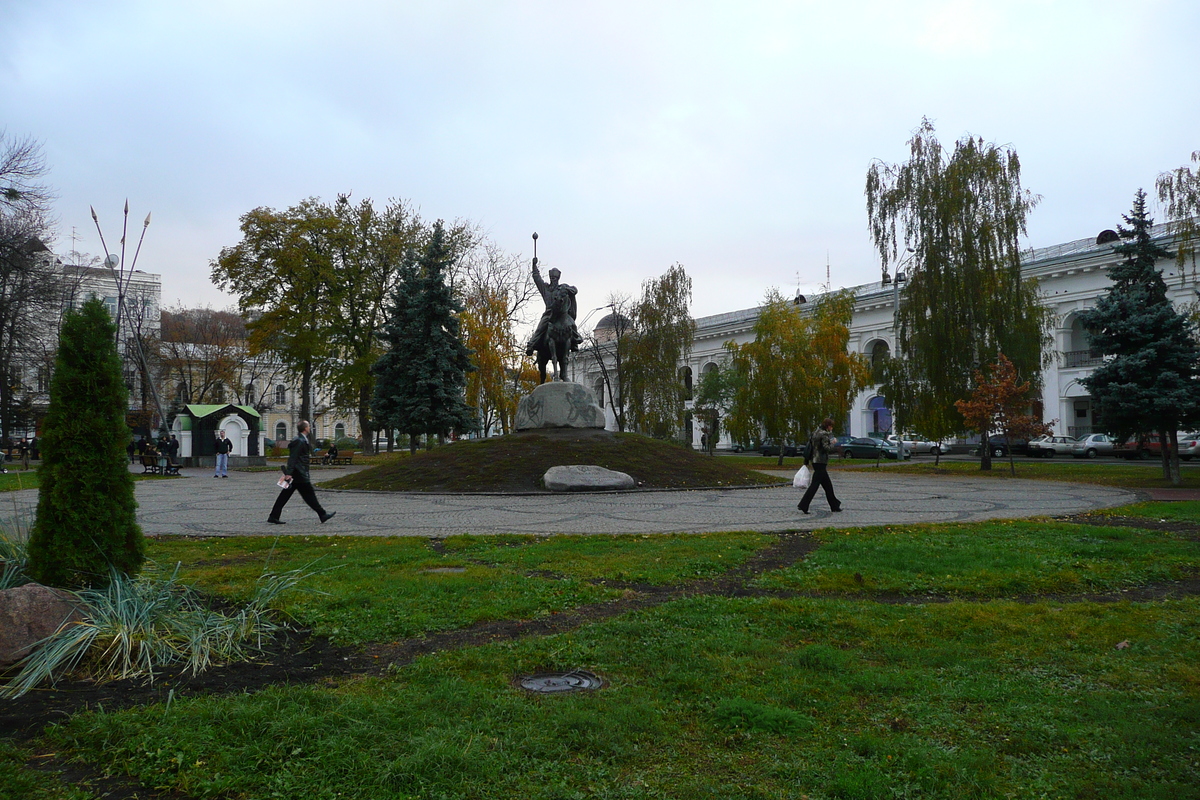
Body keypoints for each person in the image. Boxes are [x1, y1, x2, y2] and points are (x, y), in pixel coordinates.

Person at [268, 420, 335, 525]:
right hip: (298, 472)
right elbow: (293, 457)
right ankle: (322, 514)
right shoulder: (299, 441)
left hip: (298, 471)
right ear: (305, 428)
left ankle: (273, 516)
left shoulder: (301, 439)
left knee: (286, 495)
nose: (309, 428)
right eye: (308, 426)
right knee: (309, 494)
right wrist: (289, 473)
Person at [797, 417, 842, 514]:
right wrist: (833, 443)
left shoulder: (815, 432)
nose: (832, 428)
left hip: (814, 460)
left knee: (828, 486)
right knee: (815, 485)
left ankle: (834, 505)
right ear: (828, 426)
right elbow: (826, 448)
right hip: (821, 461)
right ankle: (803, 505)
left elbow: (813, 446)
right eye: (831, 426)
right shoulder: (824, 434)